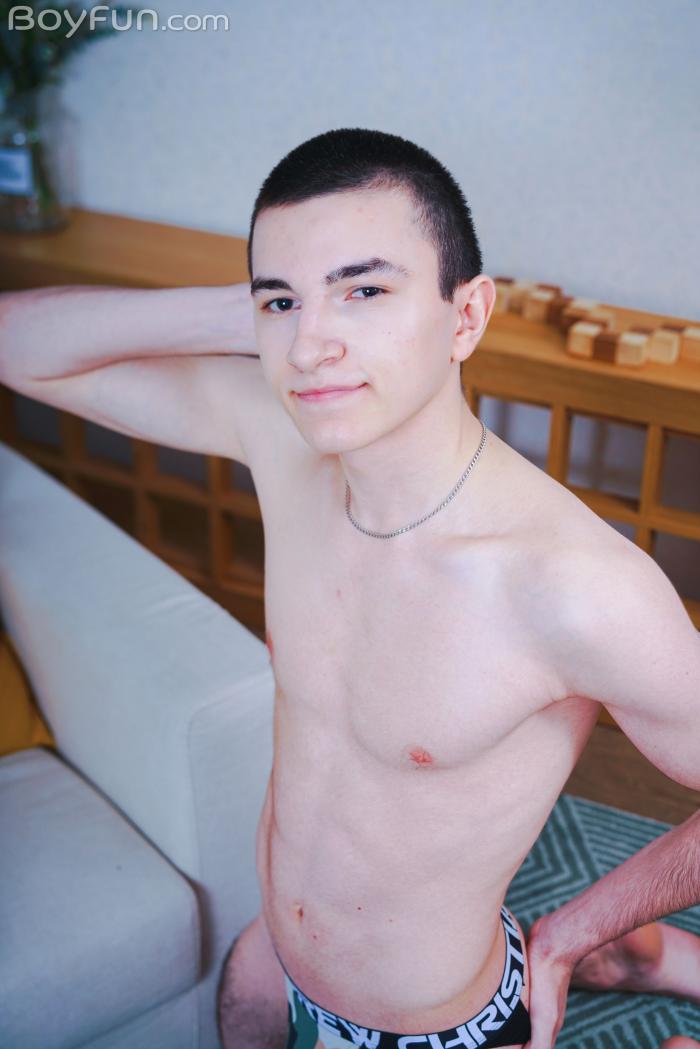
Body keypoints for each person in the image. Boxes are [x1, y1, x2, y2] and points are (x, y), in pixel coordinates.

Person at [0, 128, 698, 1049]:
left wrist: (574, 928)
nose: (311, 346)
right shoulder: (282, 440)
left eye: (364, 290)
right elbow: (17, 345)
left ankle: (632, 955)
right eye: (282, 300)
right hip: (273, 963)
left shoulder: (574, 588)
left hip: (430, 1024)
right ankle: (645, 957)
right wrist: (251, 311)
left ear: (466, 316)